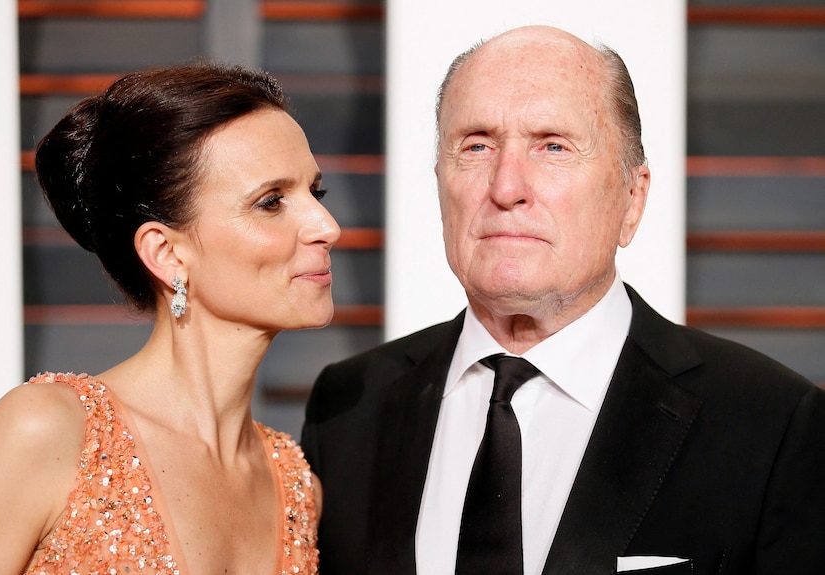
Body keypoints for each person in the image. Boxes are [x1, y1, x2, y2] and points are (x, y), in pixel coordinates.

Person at [301, 25, 825, 575]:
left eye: (553, 146)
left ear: (632, 197)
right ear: (439, 184)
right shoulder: (347, 407)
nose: (506, 187)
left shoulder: (771, 424)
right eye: (477, 145)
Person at [0, 62, 339, 574]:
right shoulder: (45, 435)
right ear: (166, 253)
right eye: (271, 202)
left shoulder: (299, 489)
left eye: (315, 193)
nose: (327, 226)